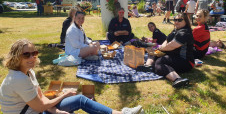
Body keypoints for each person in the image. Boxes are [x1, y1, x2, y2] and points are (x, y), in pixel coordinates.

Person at [0, 39, 144, 114]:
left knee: (80, 99)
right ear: (16, 56)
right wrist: (64, 95)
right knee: (74, 101)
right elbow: (41, 106)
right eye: (26, 54)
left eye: (34, 53)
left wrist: (56, 111)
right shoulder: (18, 79)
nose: (32, 57)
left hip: (37, 110)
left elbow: (41, 98)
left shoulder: (28, 72)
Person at [146, 13, 194, 88]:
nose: (176, 22)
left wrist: (161, 48)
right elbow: (167, 40)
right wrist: (160, 48)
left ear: (186, 21)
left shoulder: (184, 32)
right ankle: (148, 66)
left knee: (160, 62)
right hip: (175, 56)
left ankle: (177, 79)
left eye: (180, 20)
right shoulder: (176, 30)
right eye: (175, 20)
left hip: (186, 62)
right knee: (154, 53)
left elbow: (172, 46)